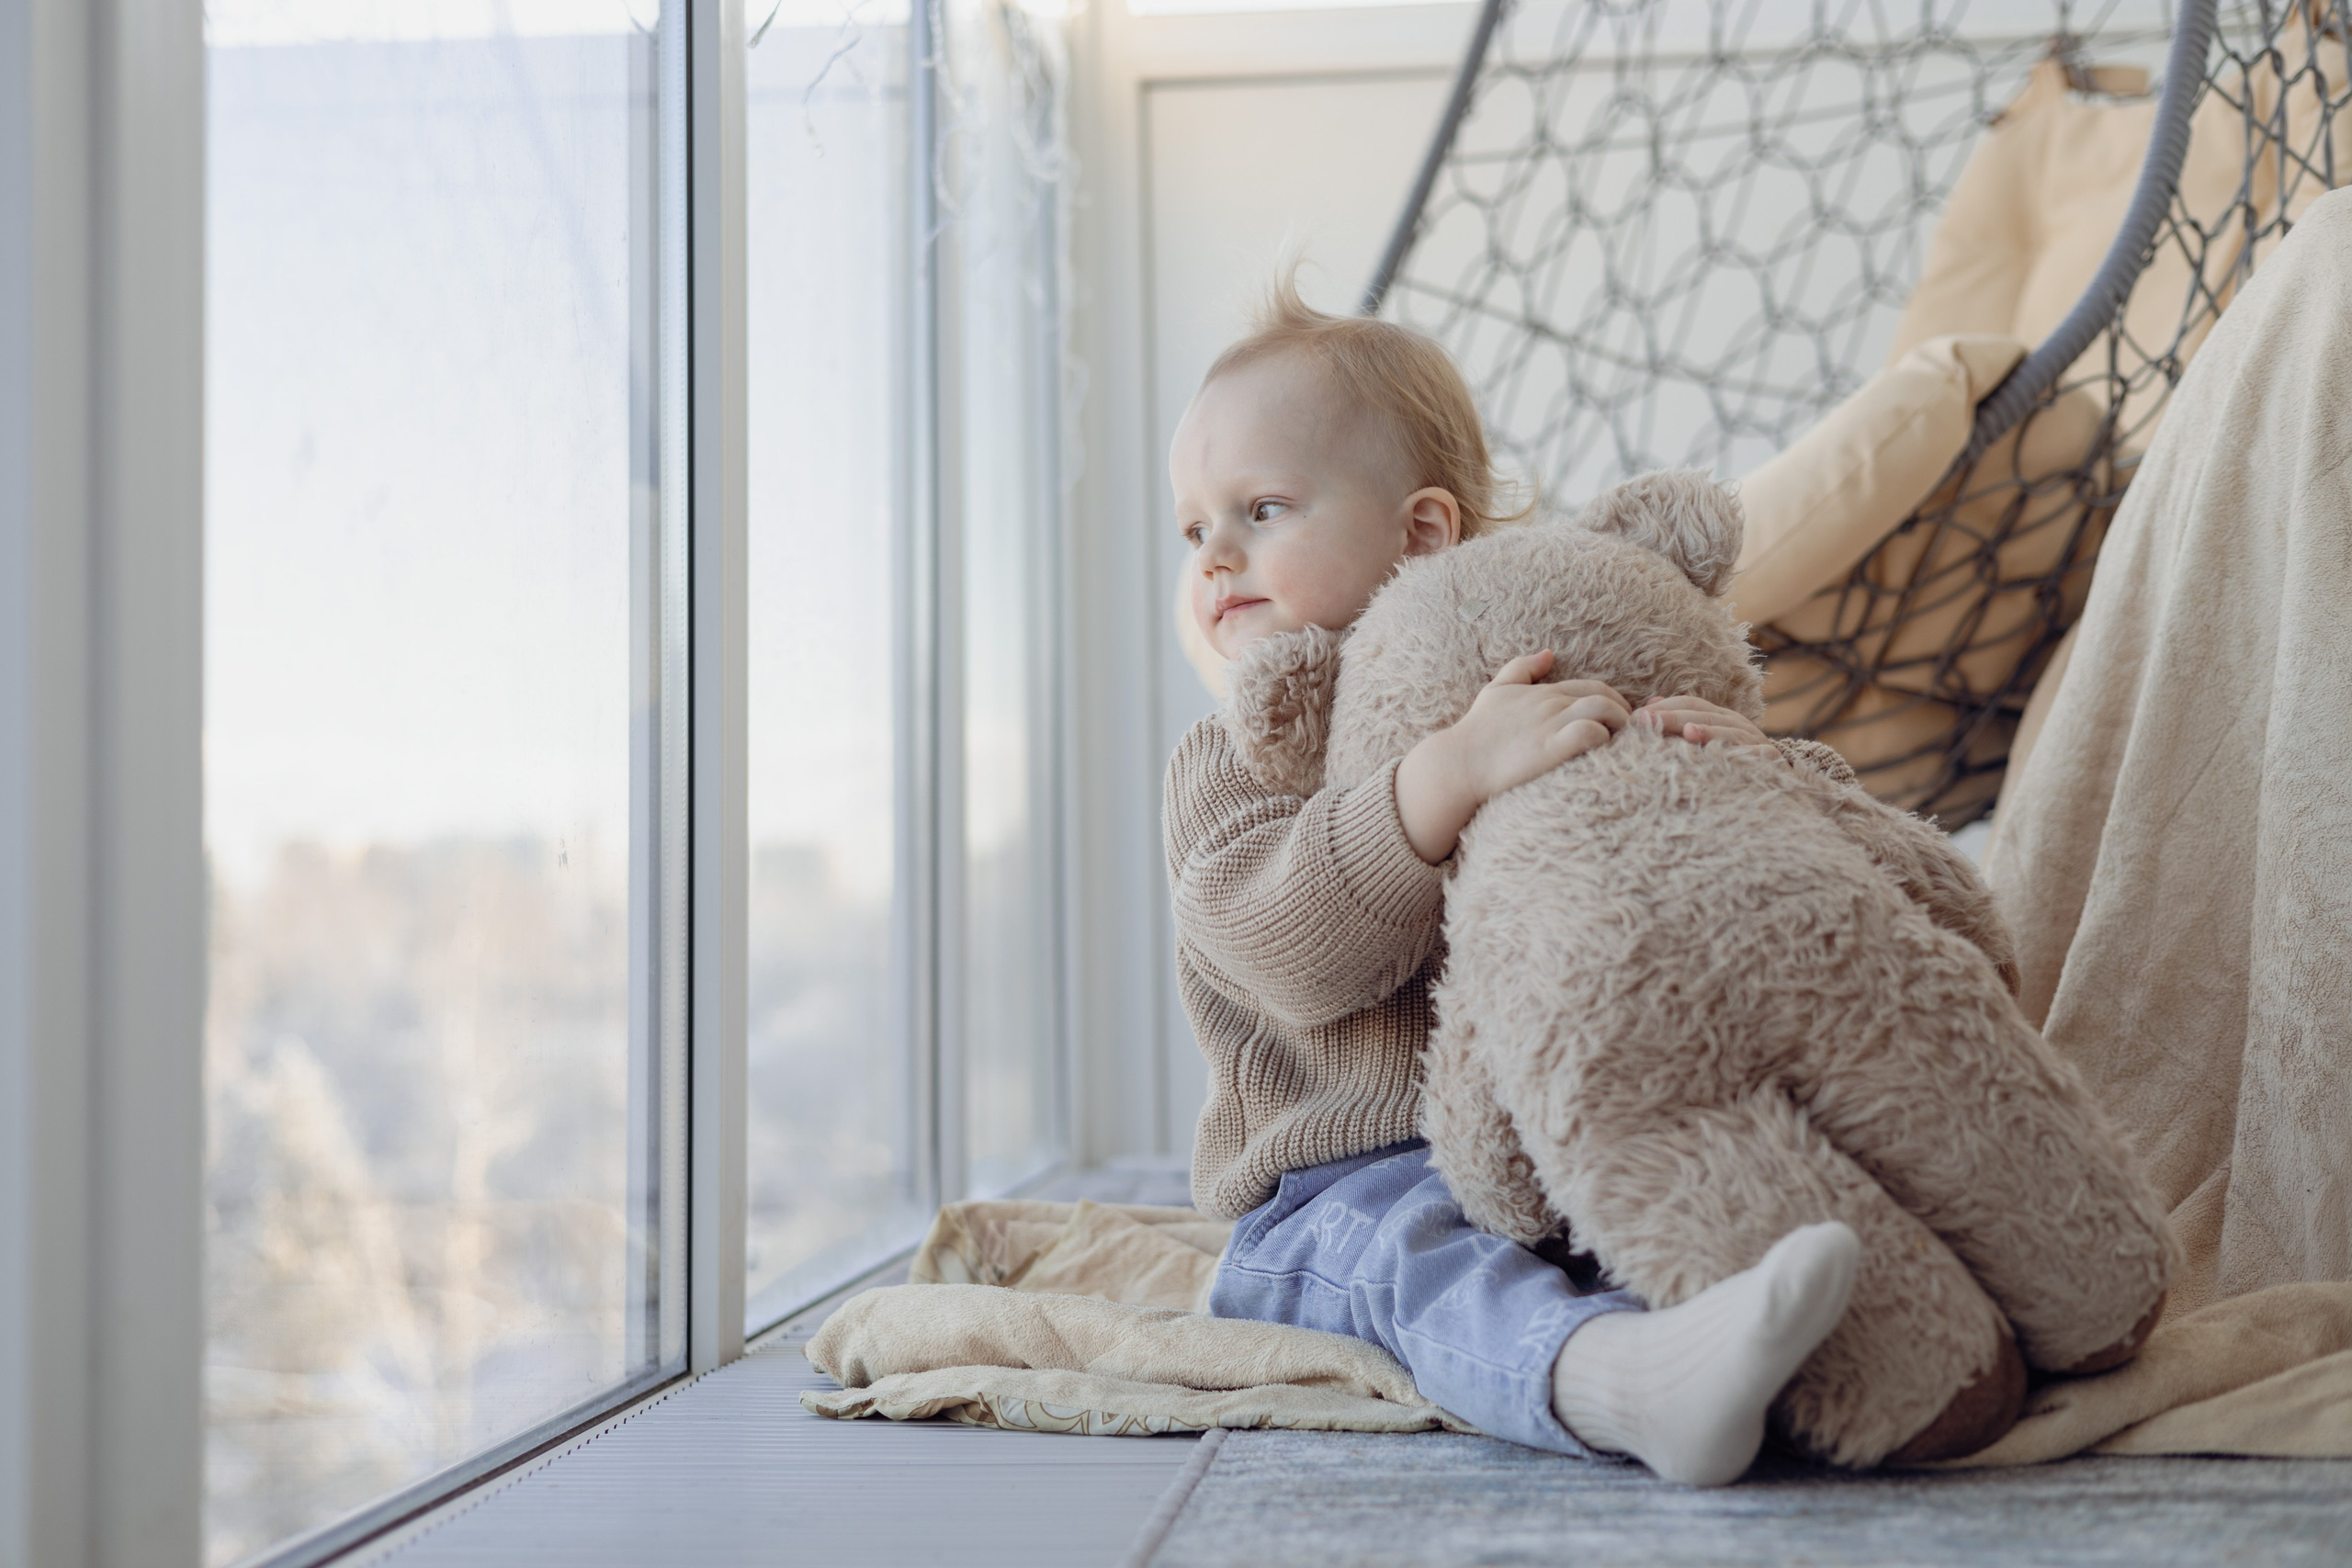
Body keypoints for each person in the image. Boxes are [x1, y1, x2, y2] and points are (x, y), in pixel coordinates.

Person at [1162, 277, 1866, 1486]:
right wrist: (1438, 784)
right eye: (1194, 528)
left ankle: (1786, 1349)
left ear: (1423, 535)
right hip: (1337, 1181)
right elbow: (1284, 951)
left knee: (1679, 1197)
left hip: (1548, 1147)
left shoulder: (1533, 686)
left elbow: (1667, 866)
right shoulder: (1233, 756)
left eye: (1262, 509)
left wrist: (1747, 772)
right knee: (1419, 1262)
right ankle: (1616, 1387)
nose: (1216, 556)